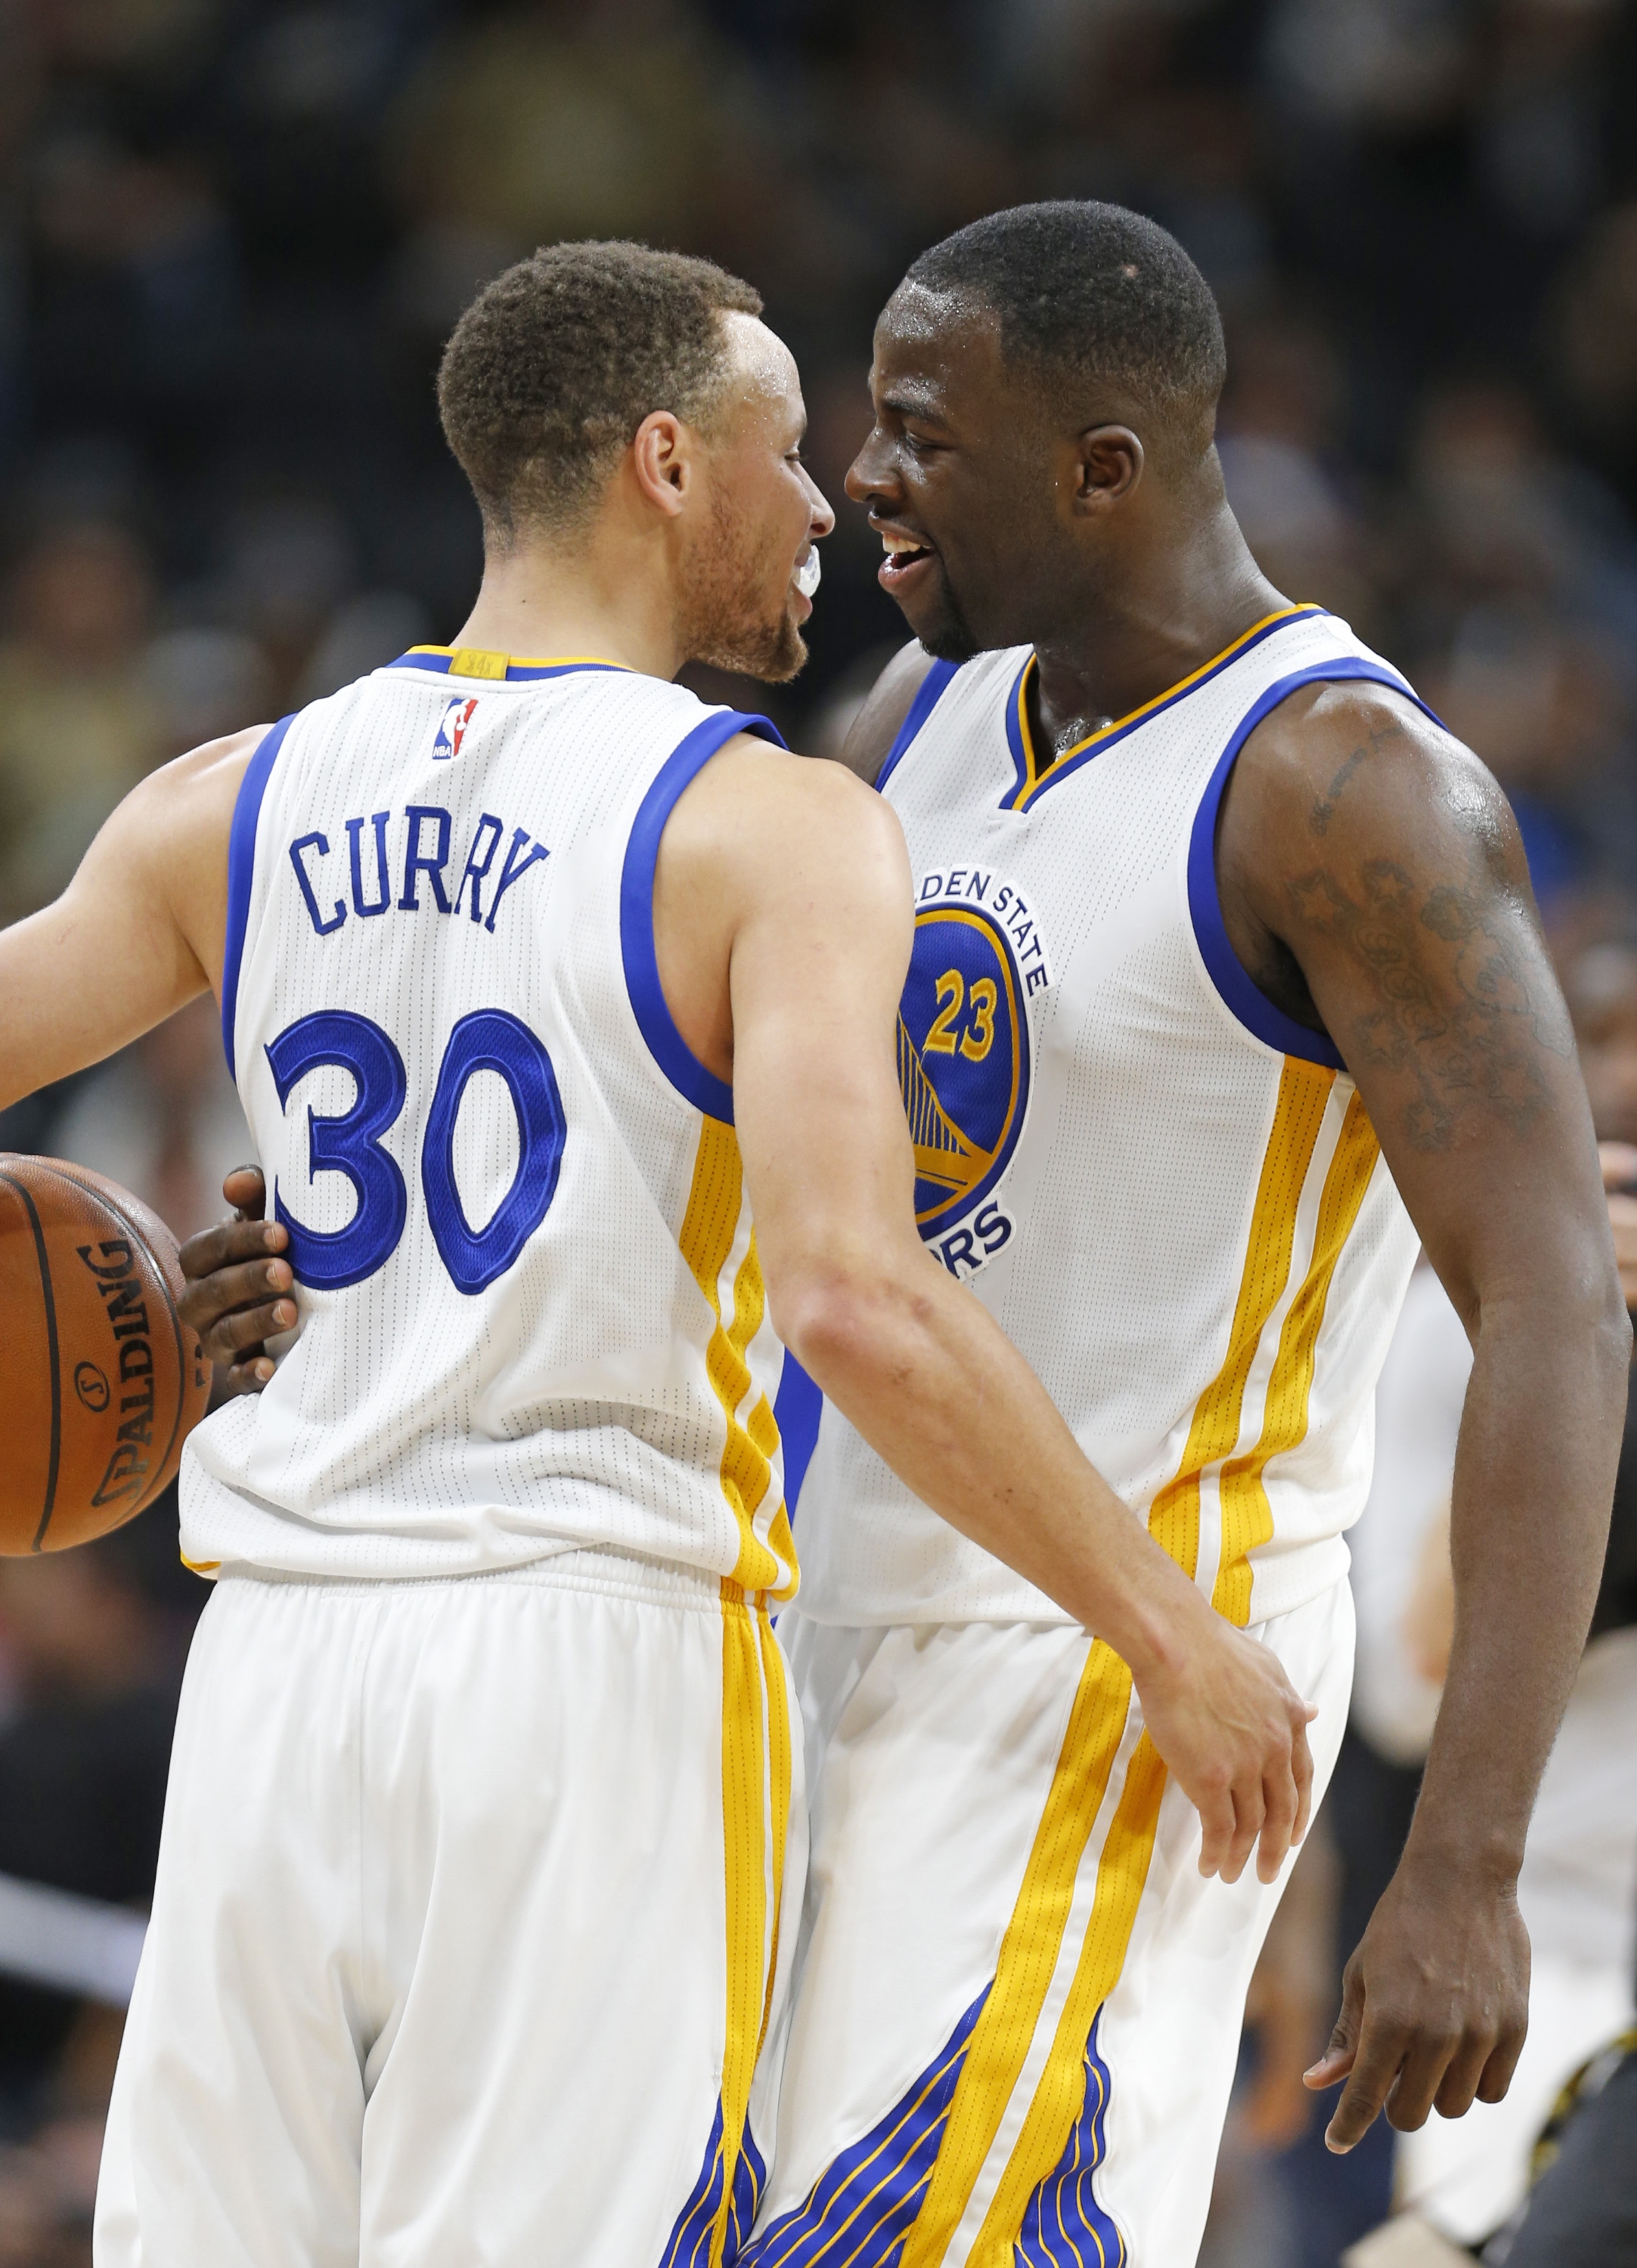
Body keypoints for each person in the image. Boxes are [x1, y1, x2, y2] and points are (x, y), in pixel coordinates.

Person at [177, 208, 1626, 2266]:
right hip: (796, 1630)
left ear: (1101, 470)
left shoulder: (1350, 788)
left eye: (922, 434)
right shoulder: (921, 724)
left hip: (1118, 1671)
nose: (860, 476)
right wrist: (343, 1254)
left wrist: (1460, 1858)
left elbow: (1555, 1311)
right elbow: (634, 1063)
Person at [0, 240, 1313, 2268]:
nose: (831, 503)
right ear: (667, 464)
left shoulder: (233, 800)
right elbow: (857, 1303)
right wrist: (1168, 1624)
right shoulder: (768, 829)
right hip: (587, 1663)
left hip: (273, 1665)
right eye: (792, 453)